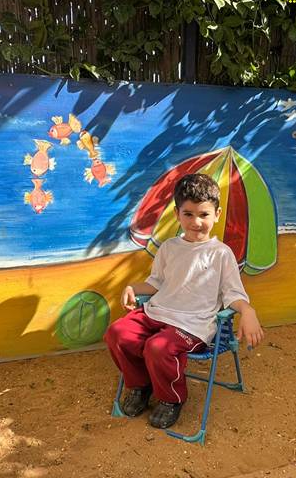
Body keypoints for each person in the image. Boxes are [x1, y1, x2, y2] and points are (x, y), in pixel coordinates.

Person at [104, 173, 264, 429]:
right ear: (177, 214)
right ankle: (141, 386)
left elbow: (233, 293)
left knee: (158, 347)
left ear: (217, 214)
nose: (196, 222)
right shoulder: (169, 247)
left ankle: (171, 399)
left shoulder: (221, 254)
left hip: (193, 324)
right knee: (118, 333)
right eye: (188, 214)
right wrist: (132, 286)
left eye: (203, 214)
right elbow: (156, 283)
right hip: (157, 312)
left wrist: (247, 311)